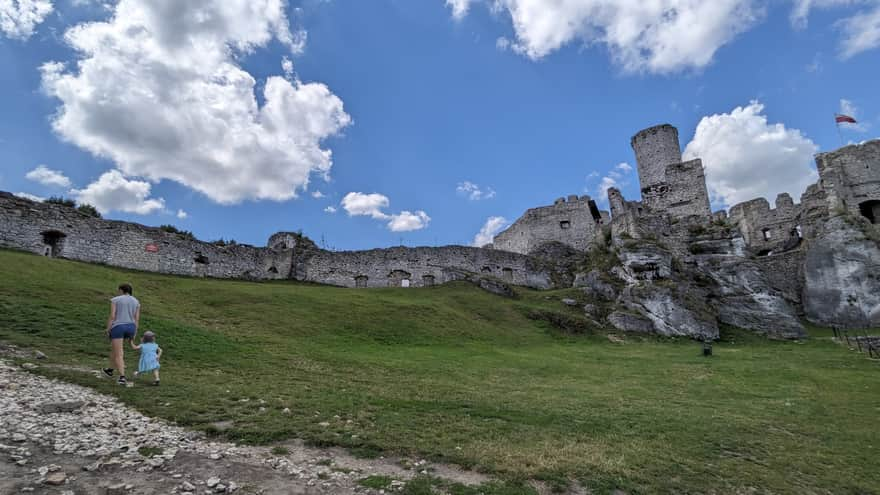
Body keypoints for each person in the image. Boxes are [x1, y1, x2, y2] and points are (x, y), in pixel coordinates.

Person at [102, 283, 140, 385]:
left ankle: (122, 377)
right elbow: (136, 319)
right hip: (131, 327)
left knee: (119, 353)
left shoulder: (116, 299)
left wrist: (108, 328)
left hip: (119, 327)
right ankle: (110, 370)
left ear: (121, 290)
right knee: (115, 349)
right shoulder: (136, 301)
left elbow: (113, 316)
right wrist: (135, 333)